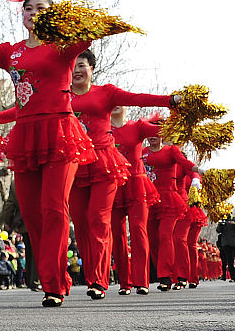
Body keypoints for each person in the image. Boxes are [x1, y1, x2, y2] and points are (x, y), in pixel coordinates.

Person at [0, 0, 96, 307]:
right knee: (31, 213)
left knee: (54, 206)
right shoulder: (10, 53)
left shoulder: (63, 48)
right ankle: (53, 277)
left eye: (41, 8)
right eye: (27, 9)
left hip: (61, 133)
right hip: (26, 135)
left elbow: (91, 33)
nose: (32, 13)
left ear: (54, 14)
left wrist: (82, 23)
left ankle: (54, 285)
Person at [67, 50, 173, 299]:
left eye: (82, 65)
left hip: (117, 174)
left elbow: (140, 99)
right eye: (73, 66)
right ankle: (111, 279)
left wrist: (171, 101)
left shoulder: (124, 113)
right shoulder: (62, 96)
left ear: (92, 68)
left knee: (120, 225)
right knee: (83, 225)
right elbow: (28, 111)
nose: (77, 71)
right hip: (76, 165)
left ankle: (124, 281)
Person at [109, 111, 163, 295]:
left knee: (139, 232)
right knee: (117, 234)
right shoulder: (103, 127)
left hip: (137, 183)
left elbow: (163, 130)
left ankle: (142, 281)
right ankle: (125, 283)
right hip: (113, 184)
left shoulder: (137, 127)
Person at [144, 139, 195, 291]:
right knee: (154, 239)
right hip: (154, 199)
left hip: (179, 204)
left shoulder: (178, 160)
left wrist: (199, 180)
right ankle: (168, 274)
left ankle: (180, 276)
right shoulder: (149, 155)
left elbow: (193, 173)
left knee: (177, 239)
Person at [216, 215, 235, 282]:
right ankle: (233, 276)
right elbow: (218, 231)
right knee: (230, 261)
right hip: (226, 243)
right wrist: (220, 224)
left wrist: (234, 224)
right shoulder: (222, 221)